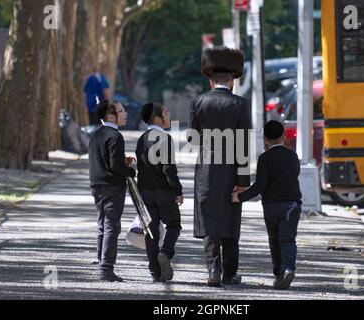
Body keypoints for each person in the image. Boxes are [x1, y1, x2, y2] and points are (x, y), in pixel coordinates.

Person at [188, 47, 251, 287]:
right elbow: (244, 144)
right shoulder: (240, 104)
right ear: (232, 82)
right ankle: (230, 273)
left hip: (206, 170)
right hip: (233, 170)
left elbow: (193, 139)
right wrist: (243, 180)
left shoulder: (198, 102)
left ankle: (213, 271)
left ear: (212, 82)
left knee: (210, 222)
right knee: (231, 221)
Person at [232, 120, 302, 290]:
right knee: (288, 240)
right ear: (284, 137)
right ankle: (288, 269)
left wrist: (239, 197)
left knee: (274, 240)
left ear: (265, 139)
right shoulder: (292, 156)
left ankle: (279, 274)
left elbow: (260, 186)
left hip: (270, 206)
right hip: (291, 205)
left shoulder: (264, 158)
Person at [136, 102, 183, 283]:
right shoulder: (165, 138)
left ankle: (155, 272)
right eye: (166, 112)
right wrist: (177, 190)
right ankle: (166, 252)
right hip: (164, 191)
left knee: (151, 231)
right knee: (174, 225)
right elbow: (169, 168)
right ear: (157, 118)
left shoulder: (142, 139)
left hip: (145, 192)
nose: (169, 115)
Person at [89, 100, 136, 282]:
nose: (125, 114)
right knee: (112, 226)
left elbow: (104, 159)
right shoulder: (115, 136)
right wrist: (131, 171)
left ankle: (101, 260)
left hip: (96, 184)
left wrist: (121, 161)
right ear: (110, 116)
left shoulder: (97, 134)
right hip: (112, 186)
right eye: (121, 111)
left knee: (102, 224)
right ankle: (106, 268)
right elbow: (115, 166)